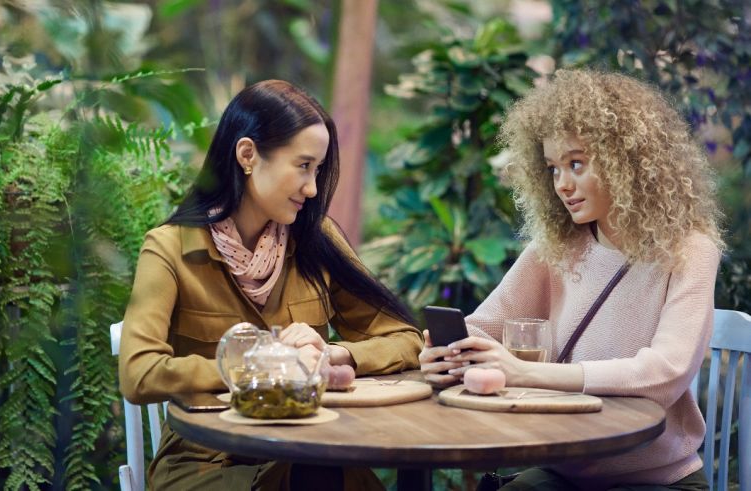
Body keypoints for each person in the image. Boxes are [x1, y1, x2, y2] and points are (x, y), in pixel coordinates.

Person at [420, 69, 722, 490]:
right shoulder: (557, 246)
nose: (562, 184)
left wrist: (525, 374)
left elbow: (664, 373)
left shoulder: (689, 249)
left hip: (656, 478)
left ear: (625, 160)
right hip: (563, 469)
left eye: (576, 164)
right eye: (553, 168)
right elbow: (483, 328)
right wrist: (448, 356)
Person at [118, 79, 423, 490]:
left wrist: (334, 354)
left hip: (310, 448)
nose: (312, 188)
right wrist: (268, 365)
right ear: (248, 155)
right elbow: (139, 374)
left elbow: (406, 339)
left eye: (318, 169)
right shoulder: (170, 248)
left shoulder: (317, 240)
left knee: (323, 475)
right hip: (206, 461)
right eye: (303, 166)